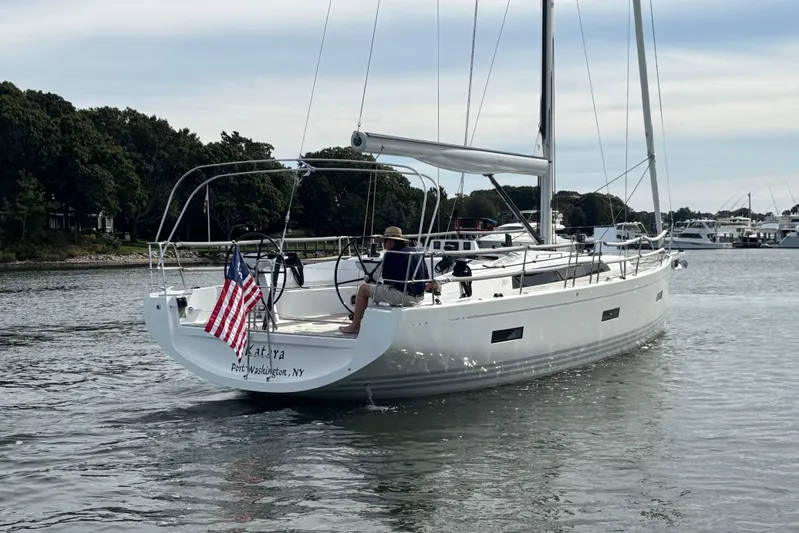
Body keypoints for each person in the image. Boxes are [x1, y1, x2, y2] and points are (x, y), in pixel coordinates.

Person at [339, 226, 430, 334]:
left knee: (363, 289)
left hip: (402, 297)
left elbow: (387, 281)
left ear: (391, 241)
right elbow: (426, 277)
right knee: (377, 287)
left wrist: (373, 282)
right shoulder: (416, 252)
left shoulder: (391, 254)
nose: (384, 244)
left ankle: (355, 326)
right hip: (419, 297)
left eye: (385, 241)